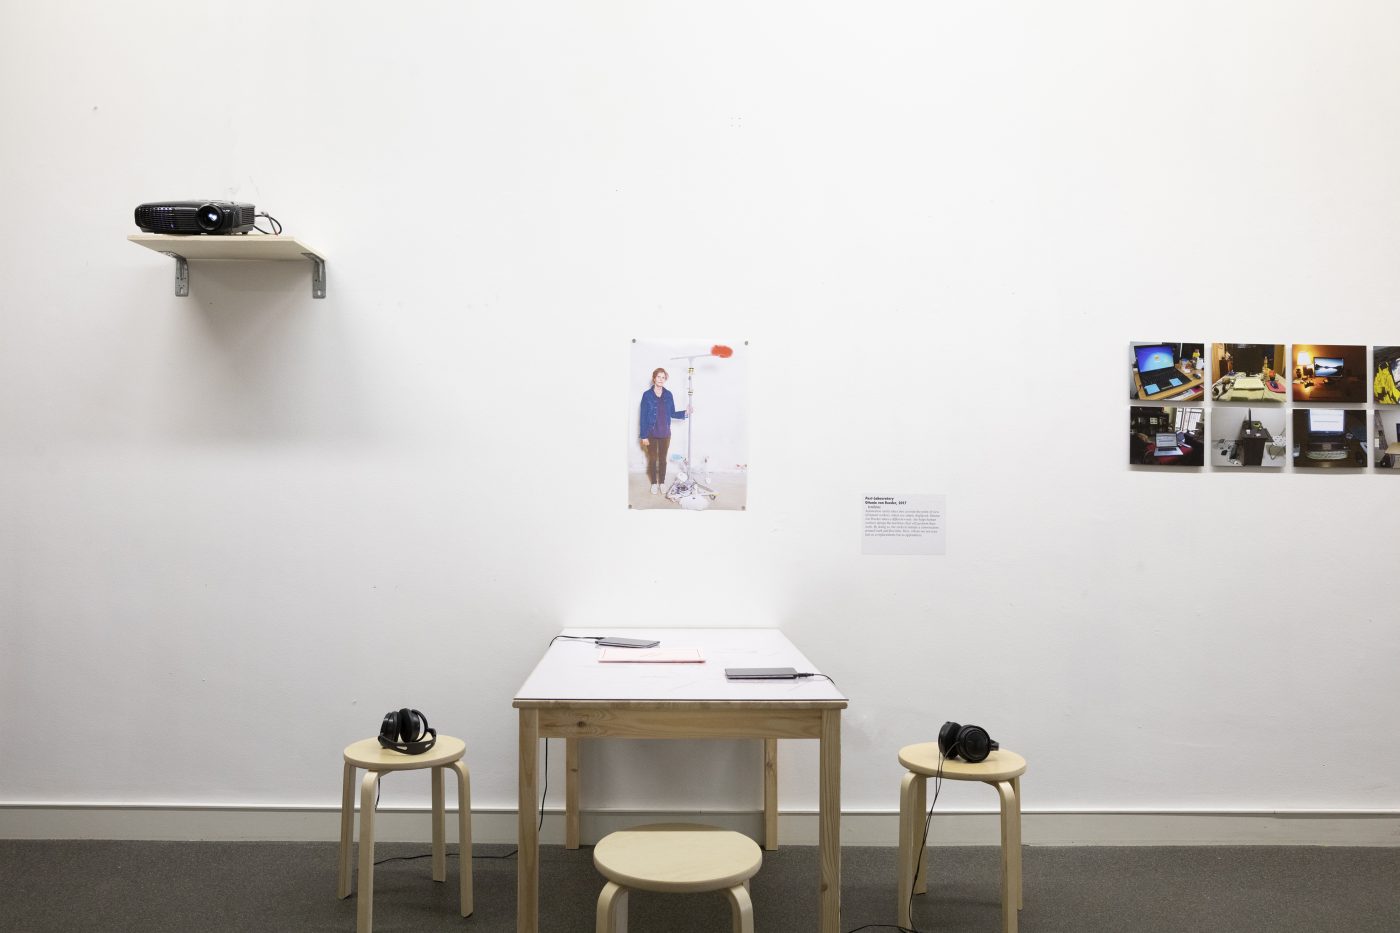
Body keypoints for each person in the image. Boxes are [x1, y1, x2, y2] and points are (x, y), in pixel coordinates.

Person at [639, 368, 691, 495]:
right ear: (654, 378)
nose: (661, 379)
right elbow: (643, 416)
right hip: (651, 433)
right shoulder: (647, 395)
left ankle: (661, 482)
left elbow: (672, 413)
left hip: (665, 433)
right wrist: (643, 436)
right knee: (652, 459)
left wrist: (685, 412)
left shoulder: (668, 394)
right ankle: (653, 483)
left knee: (662, 459)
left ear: (665, 379)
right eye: (658, 377)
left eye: (663, 377)